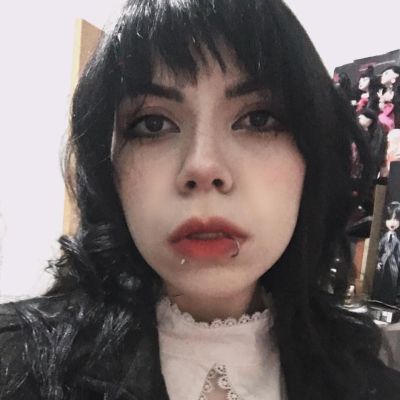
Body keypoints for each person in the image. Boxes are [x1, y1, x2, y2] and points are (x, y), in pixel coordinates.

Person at [1, 1, 399, 399]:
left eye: (258, 119)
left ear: (312, 157)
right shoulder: (16, 367)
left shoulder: (372, 384)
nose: (203, 167)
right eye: (153, 124)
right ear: (108, 171)